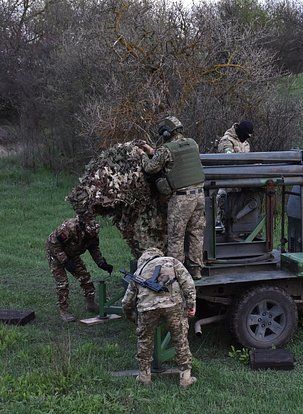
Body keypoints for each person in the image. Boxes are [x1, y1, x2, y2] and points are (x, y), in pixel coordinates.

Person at [137, 116, 205, 280]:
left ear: (166, 133)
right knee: (196, 234)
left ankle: (176, 275)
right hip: (199, 195)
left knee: (176, 237)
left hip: (181, 199)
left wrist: (142, 155)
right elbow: (174, 157)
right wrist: (151, 150)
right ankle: (196, 271)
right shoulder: (192, 143)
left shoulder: (166, 149)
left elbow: (150, 168)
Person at [121, 247, 197, 388]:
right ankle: (185, 378)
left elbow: (126, 302)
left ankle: (144, 377)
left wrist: (132, 318)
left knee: (145, 342)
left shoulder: (139, 271)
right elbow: (188, 284)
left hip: (147, 309)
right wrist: (191, 305)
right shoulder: (172, 261)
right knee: (180, 339)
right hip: (173, 305)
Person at [45, 212, 113, 322]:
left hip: (72, 254)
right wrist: (65, 261)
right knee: (63, 283)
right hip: (56, 254)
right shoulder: (69, 228)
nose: (91, 236)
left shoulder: (92, 232)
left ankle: (91, 304)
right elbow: (54, 243)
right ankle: (64, 310)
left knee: (85, 277)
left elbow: (94, 248)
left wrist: (101, 262)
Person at [216, 120, 253, 229]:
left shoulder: (245, 144)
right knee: (222, 197)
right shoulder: (226, 141)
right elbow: (228, 159)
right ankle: (219, 222)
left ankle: (239, 226)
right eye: (245, 135)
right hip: (226, 180)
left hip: (241, 181)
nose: (246, 138)